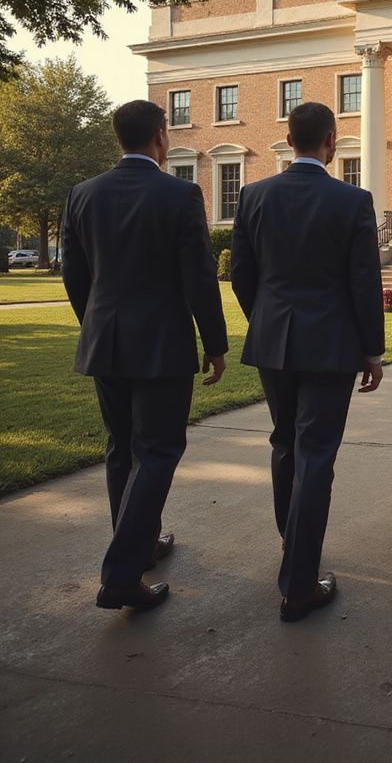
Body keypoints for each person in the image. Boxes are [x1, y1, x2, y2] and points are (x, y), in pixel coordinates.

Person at [62, 99, 227, 613]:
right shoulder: (180, 195)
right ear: (160, 136)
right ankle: (122, 574)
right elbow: (199, 278)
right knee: (156, 451)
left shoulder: (82, 194)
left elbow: (75, 273)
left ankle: (140, 541)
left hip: (106, 340)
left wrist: (95, 321)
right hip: (162, 344)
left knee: (122, 450)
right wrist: (215, 343)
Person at [231, 101, 385, 622]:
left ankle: (291, 543)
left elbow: (243, 278)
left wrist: (268, 320)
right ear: (331, 141)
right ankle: (299, 581)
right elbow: (364, 282)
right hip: (331, 344)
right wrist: (372, 348)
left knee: (285, 444)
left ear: (289, 139)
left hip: (275, 340)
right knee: (316, 452)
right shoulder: (352, 200)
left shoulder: (253, 195)